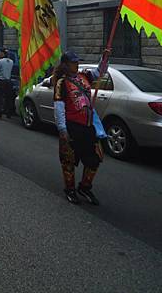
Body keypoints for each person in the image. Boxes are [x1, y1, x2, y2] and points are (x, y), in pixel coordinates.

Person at [52, 50, 103, 206]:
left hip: (88, 125)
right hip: (72, 126)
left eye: (77, 61)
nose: (77, 64)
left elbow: (100, 72)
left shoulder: (84, 76)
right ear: (65, 65)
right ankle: (70, 189)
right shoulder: (61, 82)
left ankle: (85, 187)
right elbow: (59, 107)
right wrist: (62, 129)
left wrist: (105, 57)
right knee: (69, 159)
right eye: (73, 62)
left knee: (95, 158)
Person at [0, 49, 14, 118]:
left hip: (1, 81)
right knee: (8, 98)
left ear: (3, 54)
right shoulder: (11, 61)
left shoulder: (0, 61)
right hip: (9, 81)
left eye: (0, 53)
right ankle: (9, 114)